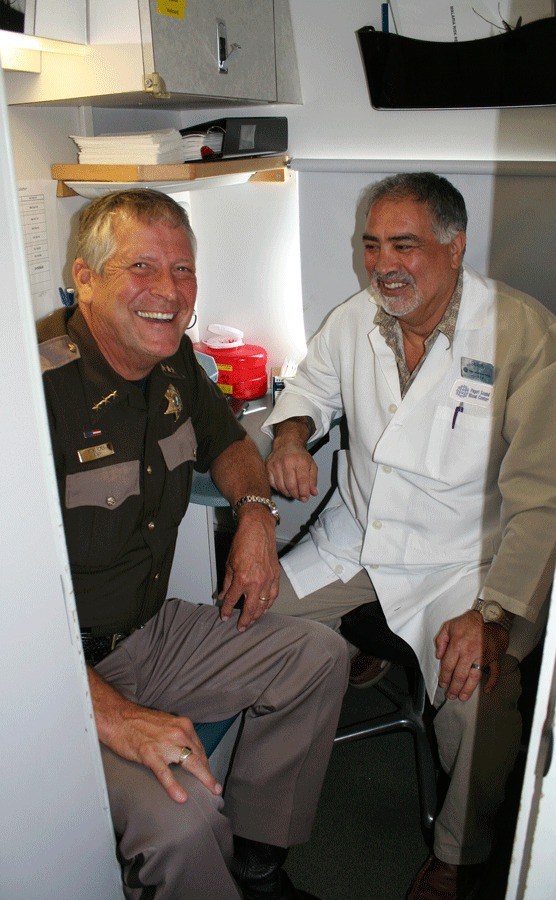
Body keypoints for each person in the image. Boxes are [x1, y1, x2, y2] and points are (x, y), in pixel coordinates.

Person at [263, 173, 556, 900]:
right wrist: (289, 436)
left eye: (404, 244)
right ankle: (313, 696)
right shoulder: (357, 319)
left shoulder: (527, 339)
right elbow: (308, 387)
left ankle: (461, 854)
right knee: (254, 617)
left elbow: (542, 503)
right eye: (371, 245)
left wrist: (495, 616)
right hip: (358, 542)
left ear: (455, 246)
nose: (383, 264)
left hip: (465, 566)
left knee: (476, 690)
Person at [37, 188, 349, 900]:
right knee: (180, 825)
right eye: (141, 267)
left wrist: (257, 517)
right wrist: (115, 718)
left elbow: (231, 445)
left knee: (316, 655)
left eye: (183, 270)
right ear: (84, 278)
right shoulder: (33, 394)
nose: (169, 292)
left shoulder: (174, 364)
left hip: (148, 635)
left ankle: (258, 867)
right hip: (58, 676)